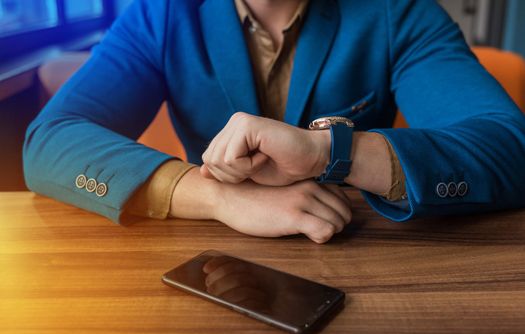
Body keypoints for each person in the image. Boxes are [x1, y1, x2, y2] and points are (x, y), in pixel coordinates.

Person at [23, 0, 525, 244]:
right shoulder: (163, 13)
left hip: (355, 253)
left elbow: (510, 148)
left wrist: (331, 152)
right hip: (211, 260)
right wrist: (217, 197)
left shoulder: (397, 11)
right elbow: (49, 141)